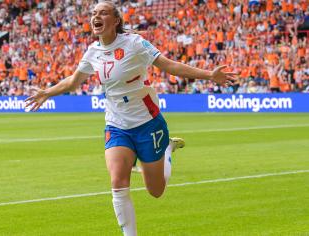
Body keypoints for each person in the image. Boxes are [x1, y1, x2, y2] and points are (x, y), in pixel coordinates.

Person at [25, 2, 237, 235]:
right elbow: (73, 82)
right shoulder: (92, 52)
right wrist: (47, 92)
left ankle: (166, 150)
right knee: (118, 180)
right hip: (117, 125)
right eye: (94, 13)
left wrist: (209, 75)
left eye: (103, 12)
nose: (96, 16)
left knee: (155, 191)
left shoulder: (134, 43)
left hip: (148, 123)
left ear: (116, 21)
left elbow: (169, 65)